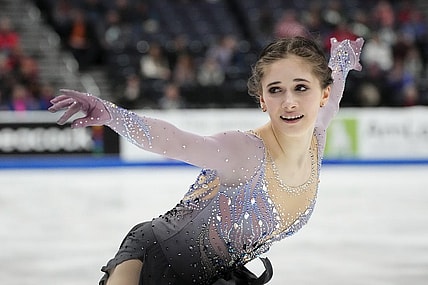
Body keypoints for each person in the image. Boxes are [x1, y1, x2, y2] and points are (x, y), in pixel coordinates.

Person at [48, 36, 364, 285]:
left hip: (218, 277)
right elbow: (176, 141)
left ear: (321, 94)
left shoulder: (316, 136)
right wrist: (113, 115)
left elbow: (333, 98)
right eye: (276, 90)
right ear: (262, 100)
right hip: (154, 260)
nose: (290, 101)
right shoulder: (245, 152)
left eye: (301, 88)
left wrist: (341, 63)